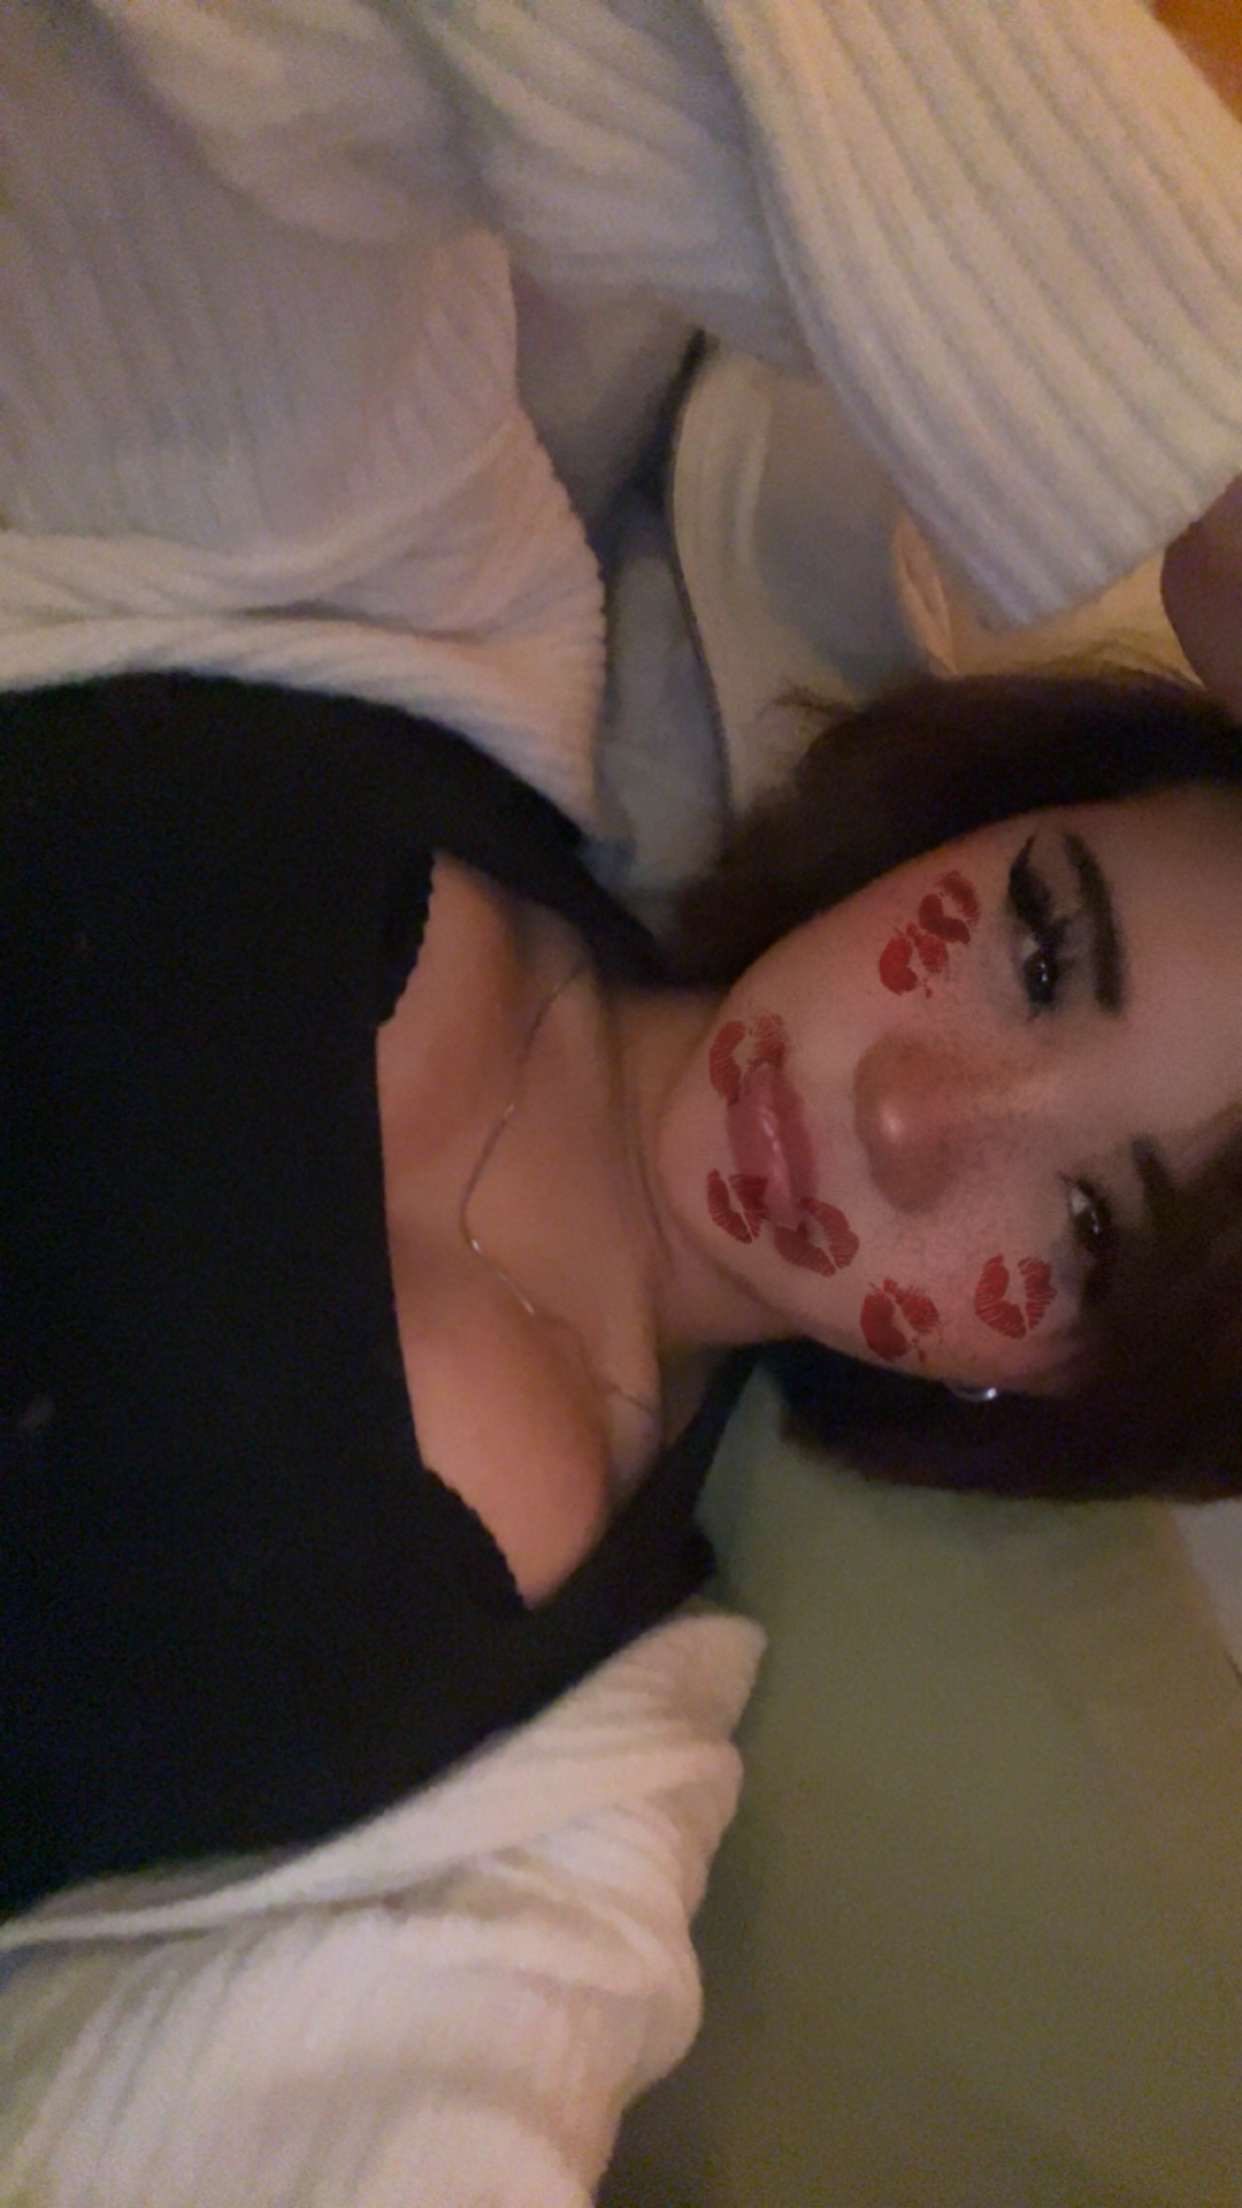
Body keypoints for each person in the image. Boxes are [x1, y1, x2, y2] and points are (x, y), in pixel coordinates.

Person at [5, 652, 1242, 1921]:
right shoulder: (451, 662)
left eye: (1087, 1229)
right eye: (1040, 955)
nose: (907, 1116)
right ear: (975, 817)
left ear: (1055, 1391)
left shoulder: (563, 1797)